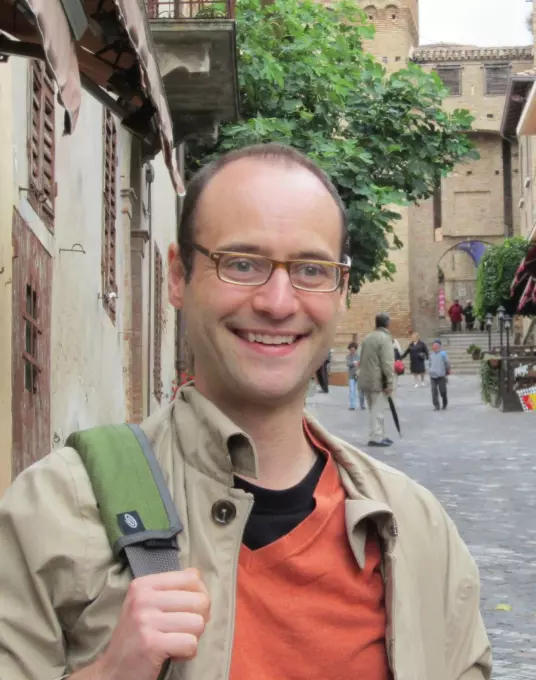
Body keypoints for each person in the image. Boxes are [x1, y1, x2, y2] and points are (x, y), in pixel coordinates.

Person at [0, 143, 491, 680]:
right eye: (241, 263)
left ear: (342, 290)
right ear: (178, 276)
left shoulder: (418, 532)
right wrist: (111, 673)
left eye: (310, 269)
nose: (278, 303)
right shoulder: (55, 511)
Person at [358, 313, 396, 448]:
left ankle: (380, 434)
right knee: (378, 410)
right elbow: (387, 362)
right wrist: (390, 382)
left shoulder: (368, 338)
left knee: (373, 409)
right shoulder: (384, 338)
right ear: (387, 323)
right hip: (378, 380)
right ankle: (376, 437)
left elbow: (361, 359)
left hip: (366, 379)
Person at [429, 339, 451, 411]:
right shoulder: (431, 354)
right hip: (433, 375)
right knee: (434, 391)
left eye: (436, 345)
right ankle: (436, 405)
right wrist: (430, 370)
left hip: (441, 375)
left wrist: (447, 370)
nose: (434, 347)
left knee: (442, 391)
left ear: (439, 346)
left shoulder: (443, 354)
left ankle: (445, 403)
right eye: (434, 346)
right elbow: (429, 363)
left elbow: (447, 363)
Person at [346, 341, 365, 410]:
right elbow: (348, 364)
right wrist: (354, 363)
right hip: (351, 375)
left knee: (361, 391)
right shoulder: (348, 356)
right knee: (352, 390)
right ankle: (352, 405)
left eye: (353, 349)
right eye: (351, 349)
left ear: (355, 349)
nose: (352, 350)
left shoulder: (359, 356)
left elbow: (362, 364)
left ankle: (362, 404)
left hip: (359, 375)